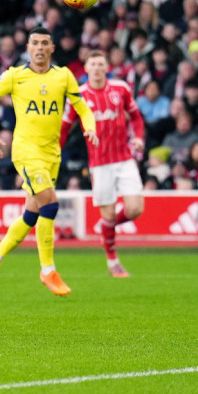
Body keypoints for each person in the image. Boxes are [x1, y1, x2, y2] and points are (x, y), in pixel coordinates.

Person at [0, 27, 98, 296]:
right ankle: (47, 270)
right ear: (29, 48)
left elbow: (82, 107)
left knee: (32, 214)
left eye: (45, 43)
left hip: (51, 154)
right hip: (26, 152)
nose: (41, 47)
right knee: (51, 203)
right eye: (35, 43)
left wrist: (89, 126)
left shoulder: (64, 76)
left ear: (52, 48)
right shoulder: (15, 76)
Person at [60, 50, 145, 278]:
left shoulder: (121, 89)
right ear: (86, 68)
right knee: (108, 215)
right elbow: (64, 127)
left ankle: (106, 227)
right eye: (92, 64)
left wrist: (139, 138)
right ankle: (112, 261)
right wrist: (54, 152)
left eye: (100, 64)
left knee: (136, 208)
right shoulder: (77, 96)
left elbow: (136, 117)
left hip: (125, 157)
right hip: (99, 163)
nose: (97, 68)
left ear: (106, 67)